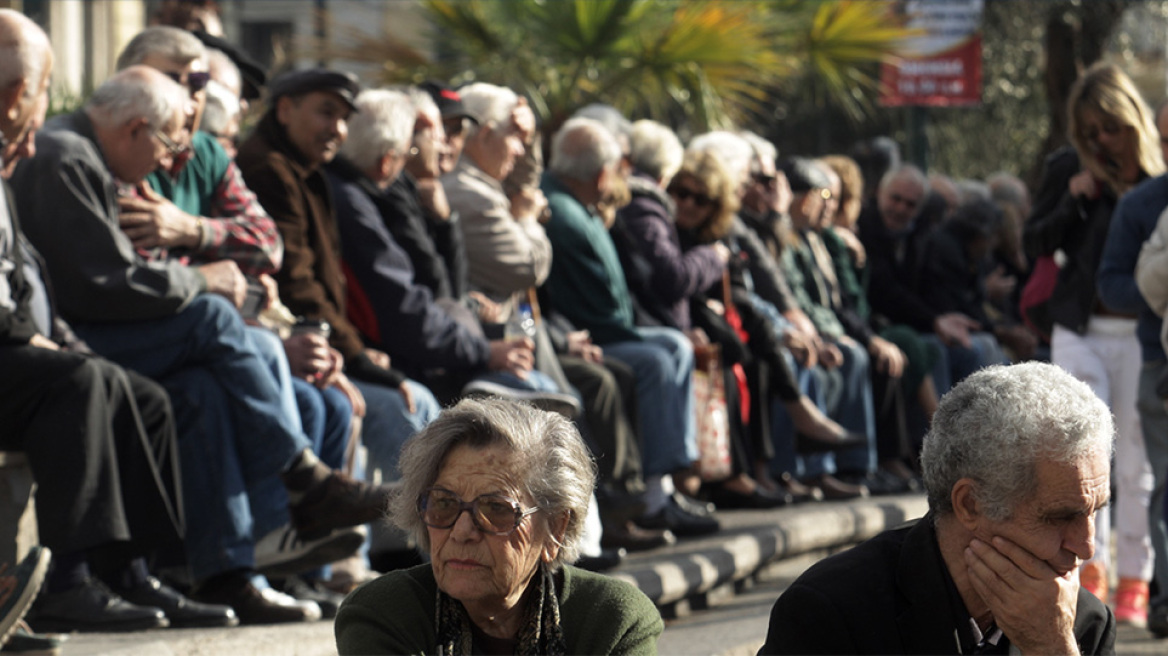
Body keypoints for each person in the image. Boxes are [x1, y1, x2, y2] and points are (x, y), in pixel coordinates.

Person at [12, 66, 384, 625]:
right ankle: (300, 477)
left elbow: (264, 245)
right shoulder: (67, 156)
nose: (168, 163)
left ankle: (224, 573)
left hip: (92, 334)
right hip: (68, 339)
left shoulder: (92, 157)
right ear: (136, 128)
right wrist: (204, 279)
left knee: (200, 390)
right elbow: (108, 282)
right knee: (211, 316)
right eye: (165, 144)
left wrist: (198, 247)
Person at [758, 362, 1116, 655]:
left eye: (1095, 511)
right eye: (1059, 516)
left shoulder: (1080, 624)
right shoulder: (831, 612)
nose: (1086, 546)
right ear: (970, 504)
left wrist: (1052, 649)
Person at [334, 397, 663, 654]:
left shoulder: (610, 621)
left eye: (496, 509)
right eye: (444, 504)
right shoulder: (385, 614)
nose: (462, 532)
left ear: (556, 529)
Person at [1025, 63, 1159, 625]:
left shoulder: (1157, 176)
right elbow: (1033, 239)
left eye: (1110, 126)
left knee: (1136, 456)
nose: (1102, 140)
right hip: (1079, 326)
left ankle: (1138, 576)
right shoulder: (1067, 168)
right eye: (1091, 130)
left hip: (1138, 332)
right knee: (1084, 448)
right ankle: (1092, 566)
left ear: (1131, 120)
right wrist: (1074, 200)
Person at [540, 117, 717, 537]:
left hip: (599, 331)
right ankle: (652, 496)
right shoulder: (565, 216)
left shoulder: (575, 206)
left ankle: (665, 487)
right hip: (589, 337)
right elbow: (597, 309)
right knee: (656, 359)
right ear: (602, 174)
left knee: (673, 345)